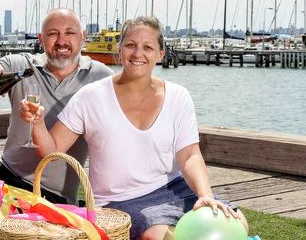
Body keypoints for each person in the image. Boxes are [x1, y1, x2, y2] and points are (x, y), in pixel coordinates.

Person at [22, 16, 249, 240]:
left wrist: (205, 195)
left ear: (160, 54)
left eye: (147, 47)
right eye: (130, 45)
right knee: (160, 237)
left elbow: (189, 155)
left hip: (174, 187)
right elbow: (52, 151)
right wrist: (38, 123)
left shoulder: (179, 96)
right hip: (119, 201)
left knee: (237, 222)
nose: (138, 53)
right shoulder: (90, 97)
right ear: (119, 50)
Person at [0, 8, 113, 204]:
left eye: (69, 33)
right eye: (53, 33)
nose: (61, 41)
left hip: (53, 193)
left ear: (82, 37)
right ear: (41, 39)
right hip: (5, 171)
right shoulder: (22, 64)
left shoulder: (100, 77)